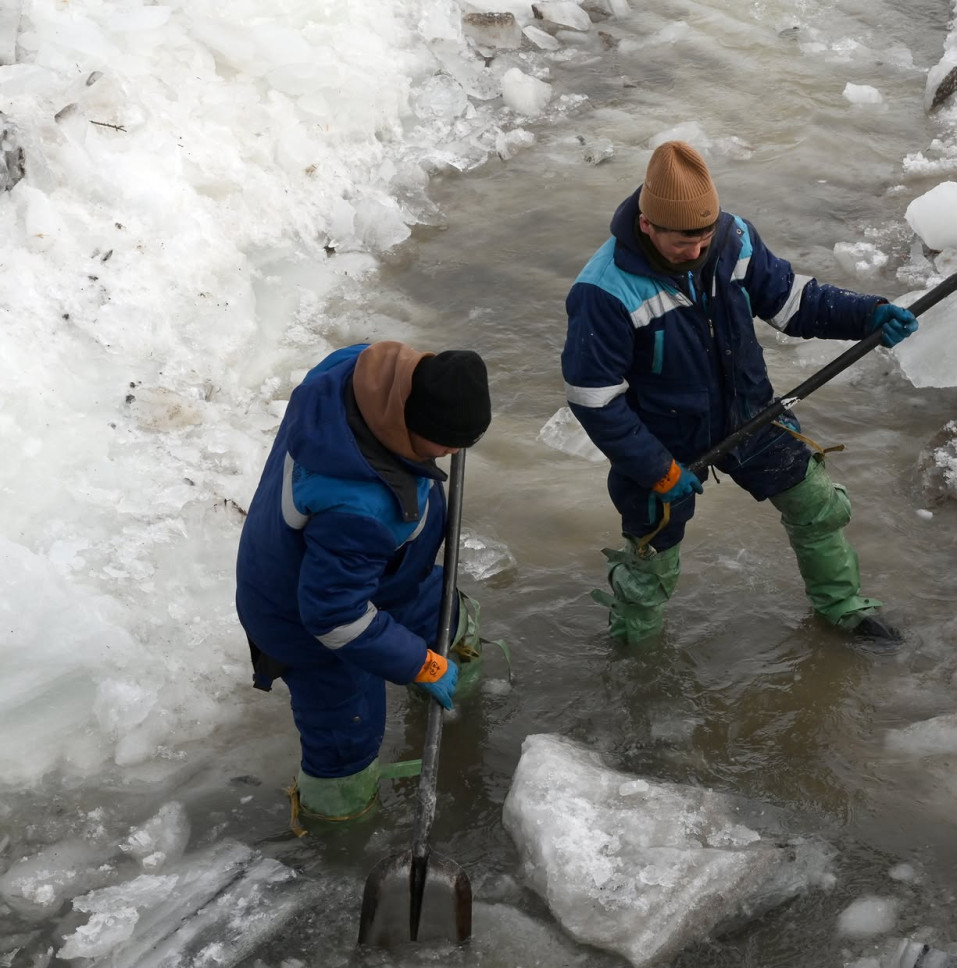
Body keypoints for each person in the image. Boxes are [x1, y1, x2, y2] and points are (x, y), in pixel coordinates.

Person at [560, 140, 919, 645]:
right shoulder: (603, 290)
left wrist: (867, 314)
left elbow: (793, 303)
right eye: (682, 243)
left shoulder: (735, 240)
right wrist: (657, 470)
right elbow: (593, 399)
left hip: (748, 412)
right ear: (647, 225)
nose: (696, 252)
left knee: (818, 504)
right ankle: (634, 657)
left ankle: (843, 609)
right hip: (659, 441)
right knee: (650, 564)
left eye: (704, 237)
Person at [236, 341, 491, 823]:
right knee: (345, 742)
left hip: (385, 577)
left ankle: (461, 709)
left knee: (450, 621)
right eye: (447, 444)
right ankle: (338, 834)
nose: (453, 454)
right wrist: (419, 664)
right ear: (409, 426)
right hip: (305, 624)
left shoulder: (361, 371)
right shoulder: (360, 508)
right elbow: (333, 618)